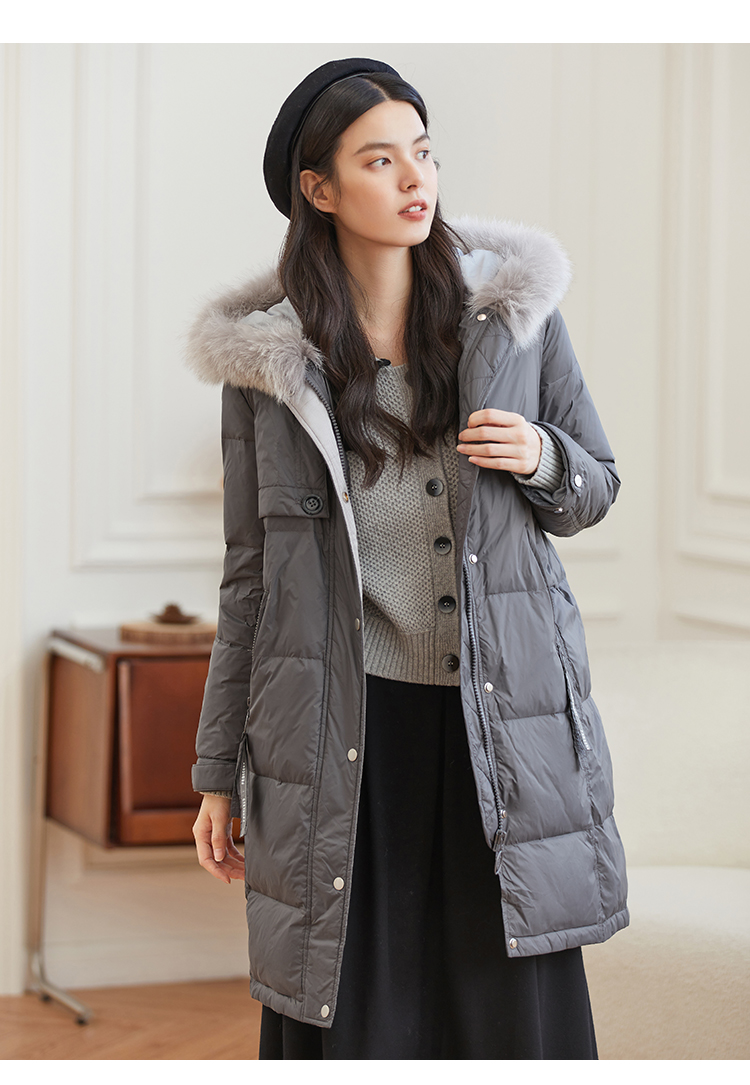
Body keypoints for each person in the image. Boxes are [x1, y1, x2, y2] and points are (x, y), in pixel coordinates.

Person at [187, 57, 628, 1060]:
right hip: (350, 729)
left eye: (422, 153)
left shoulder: (514, 320)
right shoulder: (271, 369)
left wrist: (541, 455)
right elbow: (250, 578)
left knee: (512, 1014)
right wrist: (217, 772)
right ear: (320, 189)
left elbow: (595, 483)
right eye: (379, 160)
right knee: (353, 1014)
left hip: (501, 720)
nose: (414, 178)